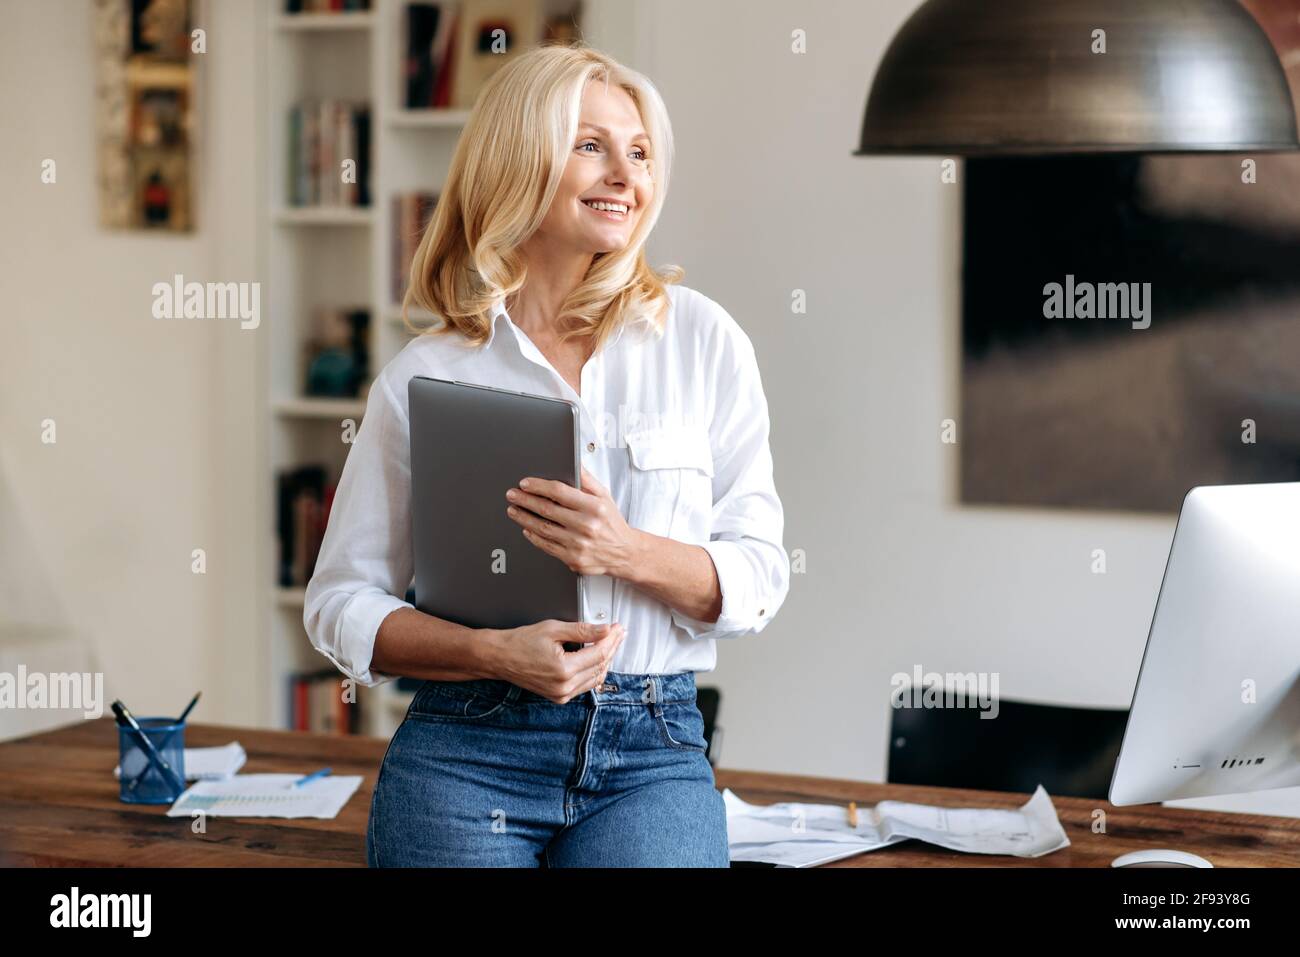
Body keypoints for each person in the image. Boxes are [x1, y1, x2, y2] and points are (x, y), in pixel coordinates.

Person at [303, 43, 789, 867]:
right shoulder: (428, 374)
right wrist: (488, 653)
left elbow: (760, 577)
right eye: (590, 145)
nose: (624, 174)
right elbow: (340, 603)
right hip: (468, 743)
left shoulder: (702, 340)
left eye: (638, 153)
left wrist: (624, 549)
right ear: (519, 158)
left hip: (653, 749)